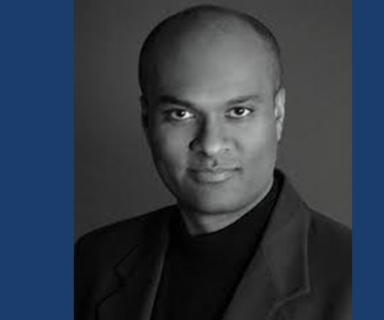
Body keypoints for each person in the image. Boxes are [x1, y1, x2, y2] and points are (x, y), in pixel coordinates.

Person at [75, 5, 351, 320]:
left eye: (239, 111)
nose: (210, 144)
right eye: (181, 114)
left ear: (278, 114)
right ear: (146, 119)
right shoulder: (94, 261)